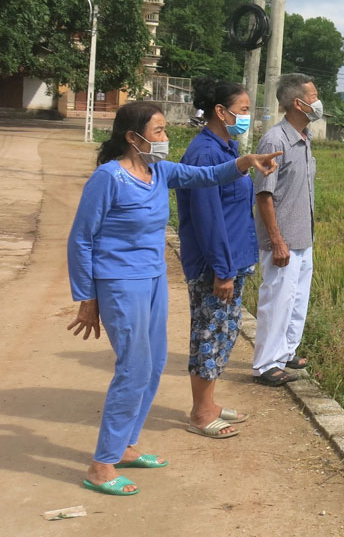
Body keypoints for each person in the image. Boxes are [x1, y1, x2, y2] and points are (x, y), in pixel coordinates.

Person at [66, 101, 281, 496]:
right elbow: (82, 238)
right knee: (133, 367)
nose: (166, 139)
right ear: (133, 137)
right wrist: (87, 297)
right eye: (160, 131)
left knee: (154, 364)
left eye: (165, 131)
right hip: (118, 282)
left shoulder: (159, 171)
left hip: (153, 280)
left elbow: (207, 175)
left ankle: (126, 446)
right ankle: (101, 465)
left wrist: (246, 161)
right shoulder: (108, 178)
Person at [176, 78, 257, 439]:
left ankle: (209, 403)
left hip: (232, 259)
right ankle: (200, 412)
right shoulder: (205, 154)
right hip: (216, 265)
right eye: (242, 110)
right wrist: (222, 271)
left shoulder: (227, 148)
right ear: (221, 112)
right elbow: (208, 219)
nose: (247, 116)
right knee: (208, 334)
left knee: (223, 333)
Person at [251, 73, 319, 386]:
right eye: (314, 95)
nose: (319, 102)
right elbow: (264, 195)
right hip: (283, 241)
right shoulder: (275, 141)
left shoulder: (303, 139)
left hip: (303, 237)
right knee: (276, 301)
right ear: (298, 102)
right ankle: (266, 365)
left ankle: (287, 351)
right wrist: (277, 241)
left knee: (296, 302)